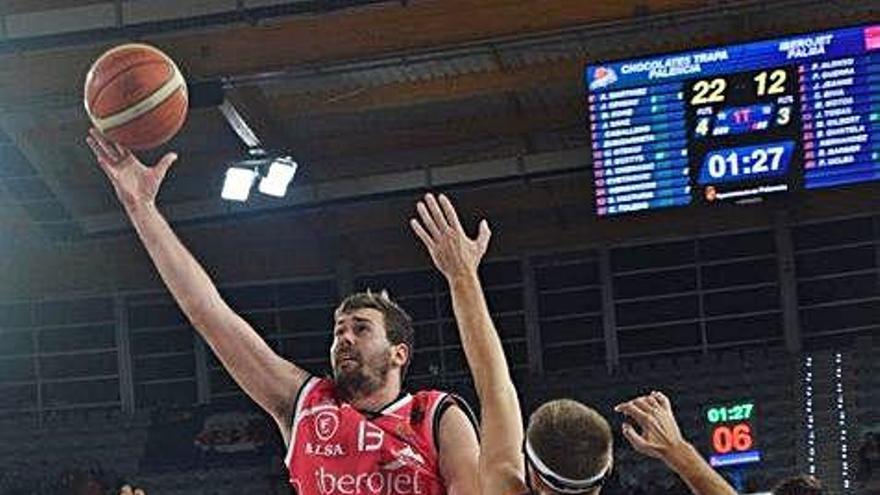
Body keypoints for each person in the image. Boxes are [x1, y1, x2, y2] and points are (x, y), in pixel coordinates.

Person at [85, 130, 480, 494]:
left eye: (361, 329)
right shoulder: (306, 403)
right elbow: (208, 314)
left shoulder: (435, 415)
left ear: (399, 353)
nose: (344, 337)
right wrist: (142, 209)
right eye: (339, 329)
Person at [409, 192, 738, 495]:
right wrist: (678, 451)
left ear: (532, 473)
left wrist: (462, 275)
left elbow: (495, 386)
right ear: (607, 468)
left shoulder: (502, 485)